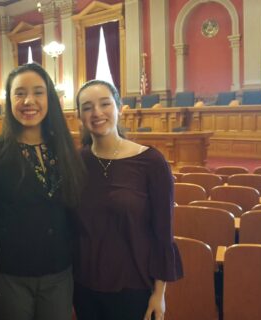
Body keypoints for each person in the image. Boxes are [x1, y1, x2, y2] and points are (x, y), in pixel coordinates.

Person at [0, 63, 84, 320]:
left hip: (59, 272)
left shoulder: (65, 149)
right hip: (11, 275)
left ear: (50, 98)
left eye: (38, 92)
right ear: (9, 100)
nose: (29, 101)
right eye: (19, 93)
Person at [73, 79, 183, 320]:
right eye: (87, 107)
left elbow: (163, 233)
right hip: (85, 287)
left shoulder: (151, 162)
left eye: (104, 104)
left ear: (119, 108)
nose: (97, 113)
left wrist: (159, 294)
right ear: (79, 116)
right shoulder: (76, 163)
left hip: (134, 288)